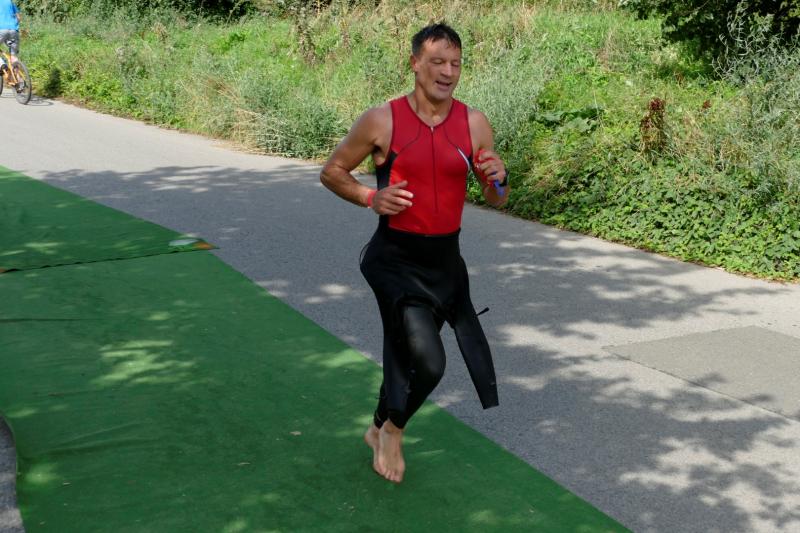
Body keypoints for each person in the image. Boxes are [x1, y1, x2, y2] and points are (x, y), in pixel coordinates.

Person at [320, 23, 509, 483]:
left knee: (409, 356)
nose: (448, 72)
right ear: (415, 64)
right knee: (429, 360)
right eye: (437, 62)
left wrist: (499, 179)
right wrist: (370, 197)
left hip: (445, 265)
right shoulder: (381, 120)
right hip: (395, 260)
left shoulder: (474, 123)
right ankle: (393, 430)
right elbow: (333, 171)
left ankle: (377, 426)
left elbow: (496, 196)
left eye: (456, 63)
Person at [0, 0, 20, 65]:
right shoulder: (10, 2)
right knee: (13, 55)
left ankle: (2, 64)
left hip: (1, 30)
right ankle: (16, 71)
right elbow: (19, 18)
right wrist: (14, 25)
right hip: (14, 30)